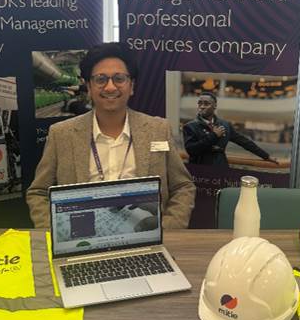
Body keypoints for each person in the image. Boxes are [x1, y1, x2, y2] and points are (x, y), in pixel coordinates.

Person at [26, 43, 196, 229]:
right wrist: (56, 232)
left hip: (145, 236)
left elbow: (182, 187)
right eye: (100, 79)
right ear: (89, 87)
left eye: (119, 79)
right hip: (83, 237)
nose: (110, 87)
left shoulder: (158, 129)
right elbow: (38, 192)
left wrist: (168, 229)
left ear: (131, 86)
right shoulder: (61, 134)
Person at [183, 92, 280, 167]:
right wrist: (214, 136)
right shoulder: (190, 126)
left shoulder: (225, 125)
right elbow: (191, 150)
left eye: (206, 104)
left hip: (221, 168)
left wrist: (266, 156)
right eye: (199, 103)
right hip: (199, 170)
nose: (202, 107)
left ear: (215, 106)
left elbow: (244, 142)